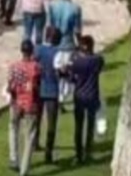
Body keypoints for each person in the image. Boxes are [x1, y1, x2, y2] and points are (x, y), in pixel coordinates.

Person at [7, 39, 41, 176]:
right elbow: (37, 86)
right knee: (29, 137)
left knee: (13, 128)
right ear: (32, 51)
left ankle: (14, 158)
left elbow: (10, 87)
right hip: (30, 105)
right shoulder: (36, 67)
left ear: (21, 51)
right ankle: (24, 170)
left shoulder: (13, 67)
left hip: (16, 103)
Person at [70, 35, 105, 165]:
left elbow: (71, 78)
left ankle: (78, 154)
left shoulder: (77, 62)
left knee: (78, 127)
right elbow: (99, 64)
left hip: (79, 96)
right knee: (90, 125)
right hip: (92, 95)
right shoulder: (98, 60)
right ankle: (88, 151)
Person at [33, 27, 62, 164]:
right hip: (52, 90)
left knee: (37, 118)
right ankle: (48, 153)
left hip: (38, 89)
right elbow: (59, 71)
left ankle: (35, 142)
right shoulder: (57, 53)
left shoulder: (37, 50)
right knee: (51, 123)